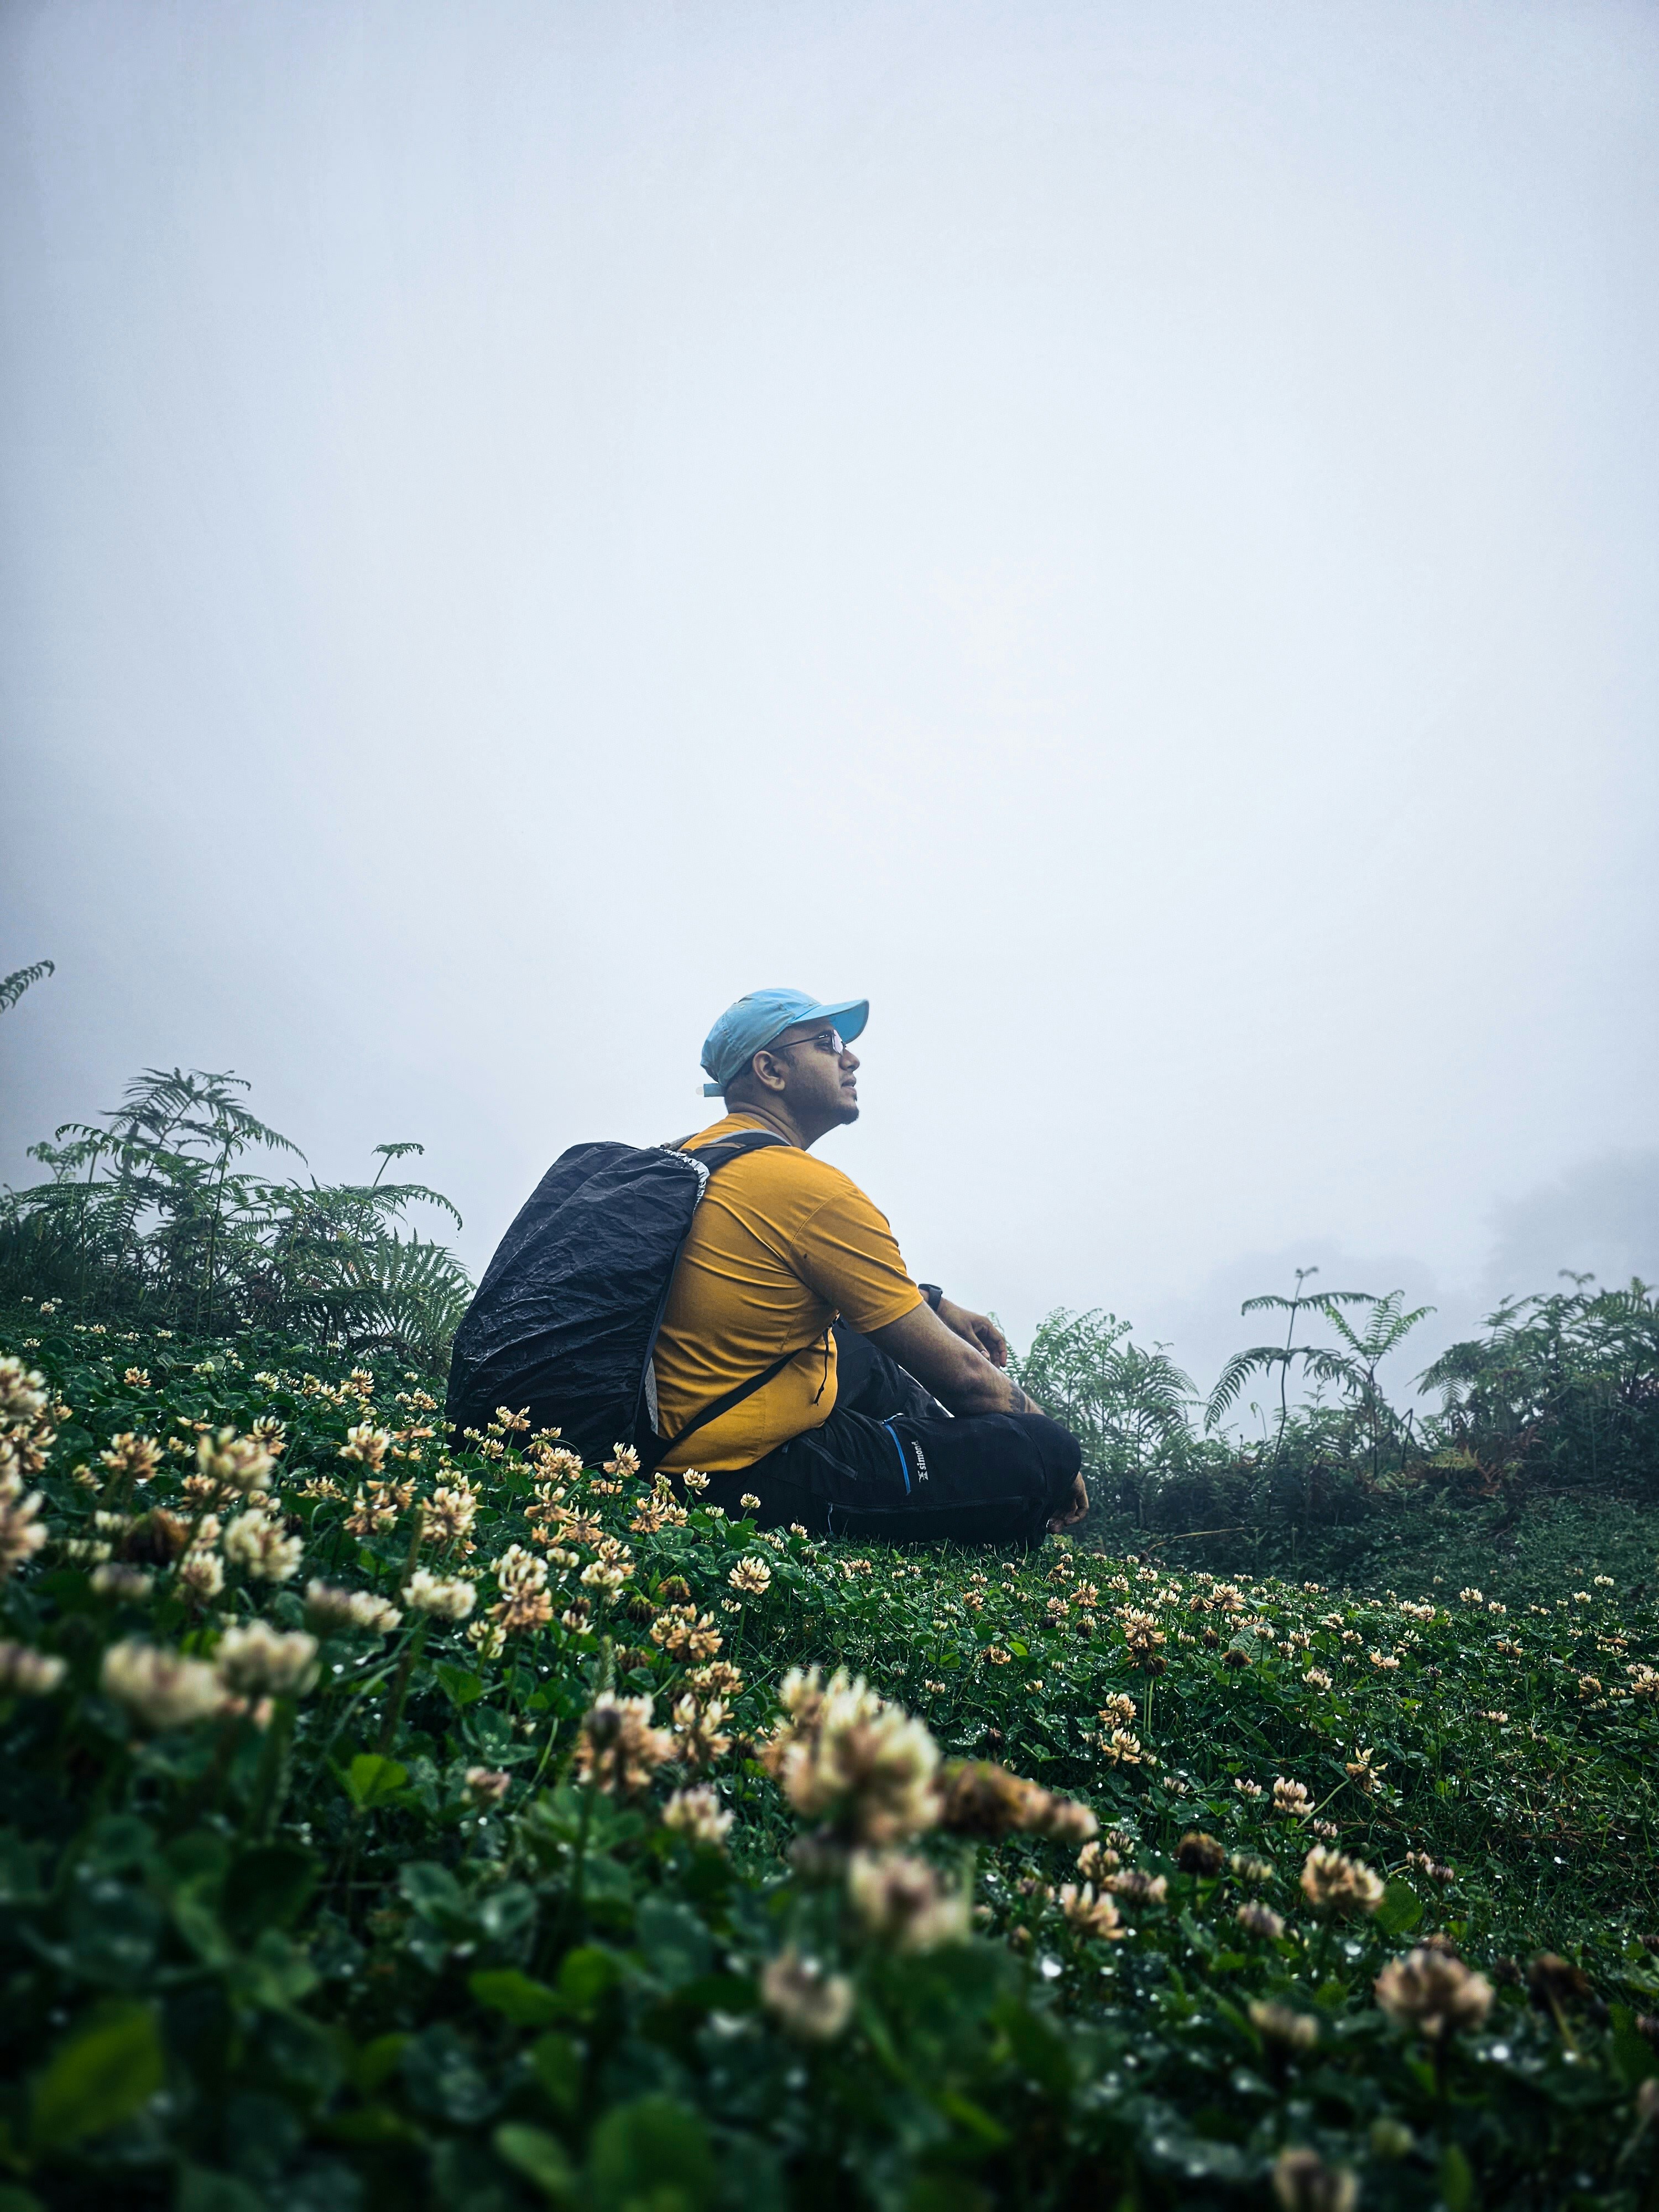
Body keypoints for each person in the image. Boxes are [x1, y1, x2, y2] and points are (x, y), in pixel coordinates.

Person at [650, 987, 1088, 1547]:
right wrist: (1056, 1446)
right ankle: (957, 1484)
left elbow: (826, 1281)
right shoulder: (812, 1191)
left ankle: (928, 1455)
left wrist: (933, 1303)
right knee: (1040, 1451)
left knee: (869, 1353)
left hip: (655, 1429)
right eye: (828, 1042)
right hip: (735, 1474)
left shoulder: (691, 1159)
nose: (850, 1058)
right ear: (770, 1070)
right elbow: (969, 1381)